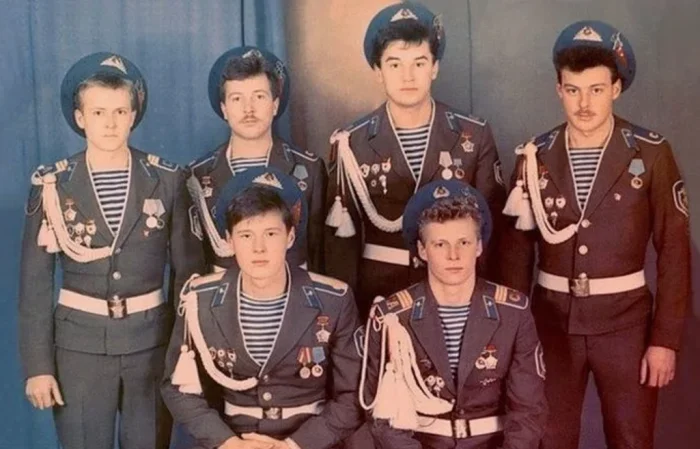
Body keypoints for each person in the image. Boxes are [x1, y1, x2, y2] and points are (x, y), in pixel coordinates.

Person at [498, 20, 690, 449]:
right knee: (548, 439)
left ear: (616, 89)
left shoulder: (651, 153)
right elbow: (515, 260)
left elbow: (675, 251)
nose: (584, 103)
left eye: (597, 89)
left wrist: (665, 340)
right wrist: (512, 335)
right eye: (573, 90)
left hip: (626, 326)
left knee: (631, 438)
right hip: (550, 325)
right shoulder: (534, 156)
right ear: (558, 90)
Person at [18, 52, 205, 449]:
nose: (110, 122)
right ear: (80, 117)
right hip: (79, 350)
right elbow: (34, 285)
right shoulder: (53, 185)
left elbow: (187, 278)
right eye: (98, 112)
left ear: (133, 115)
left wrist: (182, 350)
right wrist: (38, 367)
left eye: (120, 111)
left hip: (151, 346)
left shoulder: (167, 180)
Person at [324, 1, 506, 320]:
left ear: (434, 67)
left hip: (458, 294)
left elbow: (491, 233)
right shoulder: (351, 143)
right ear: (378, 71)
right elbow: (341, 246)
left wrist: (489, 311)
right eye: (394, 64)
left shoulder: (474, 135)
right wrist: (348, 320)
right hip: (381, 295)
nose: (407, 76)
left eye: (419, 63)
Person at [162, 167, 362, 449]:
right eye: (246, 235)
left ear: (290, 237)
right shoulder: (200, 299)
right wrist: (229, 443)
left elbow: (353, 396)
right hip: (233, 440)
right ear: (229, 241)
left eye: (270, 233)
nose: (259, 248)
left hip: (310, 440)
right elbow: (177, 390)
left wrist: (294, 445)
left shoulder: (334, 299)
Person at [360, 180, 547, 449]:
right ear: (422, 250)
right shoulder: (392, 316)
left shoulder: (513, 313)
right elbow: (383, 416)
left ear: (479, 246)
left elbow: (528, 412)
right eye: (440, 244)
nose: (453, 255)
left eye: (464, 242)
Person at [188, 46, 326, 273]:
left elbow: (320, 255)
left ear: (275, 105)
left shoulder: (309, 169)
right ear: (224, 108)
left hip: (292, 291)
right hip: (223, 292)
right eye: (236, 99)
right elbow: (192, 263)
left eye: (259, 97)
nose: (248, 109)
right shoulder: (197, 175)